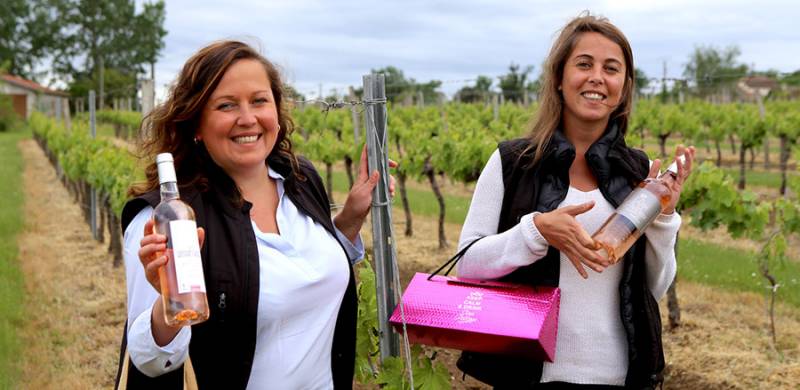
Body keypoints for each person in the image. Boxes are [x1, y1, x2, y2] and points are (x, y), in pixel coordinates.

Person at [115, 40, 390, 389]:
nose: (248, 119)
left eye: (259, 100)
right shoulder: (168, 220)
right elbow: (149, 362)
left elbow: (305, 266)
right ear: (196, 124)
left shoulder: (300, 179)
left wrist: (350, 218)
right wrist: (166, 309)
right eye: (226, 105)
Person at [454, 14, 695, 389]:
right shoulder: (511, 163)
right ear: (559, 78)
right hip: (528, 376)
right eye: (584, 64)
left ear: (624, 87)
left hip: (619, 376)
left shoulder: (641, 171)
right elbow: (466, 265)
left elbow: (655, 289)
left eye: (611, 68)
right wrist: (535, 232)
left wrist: (664, 216)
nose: (597, 76)